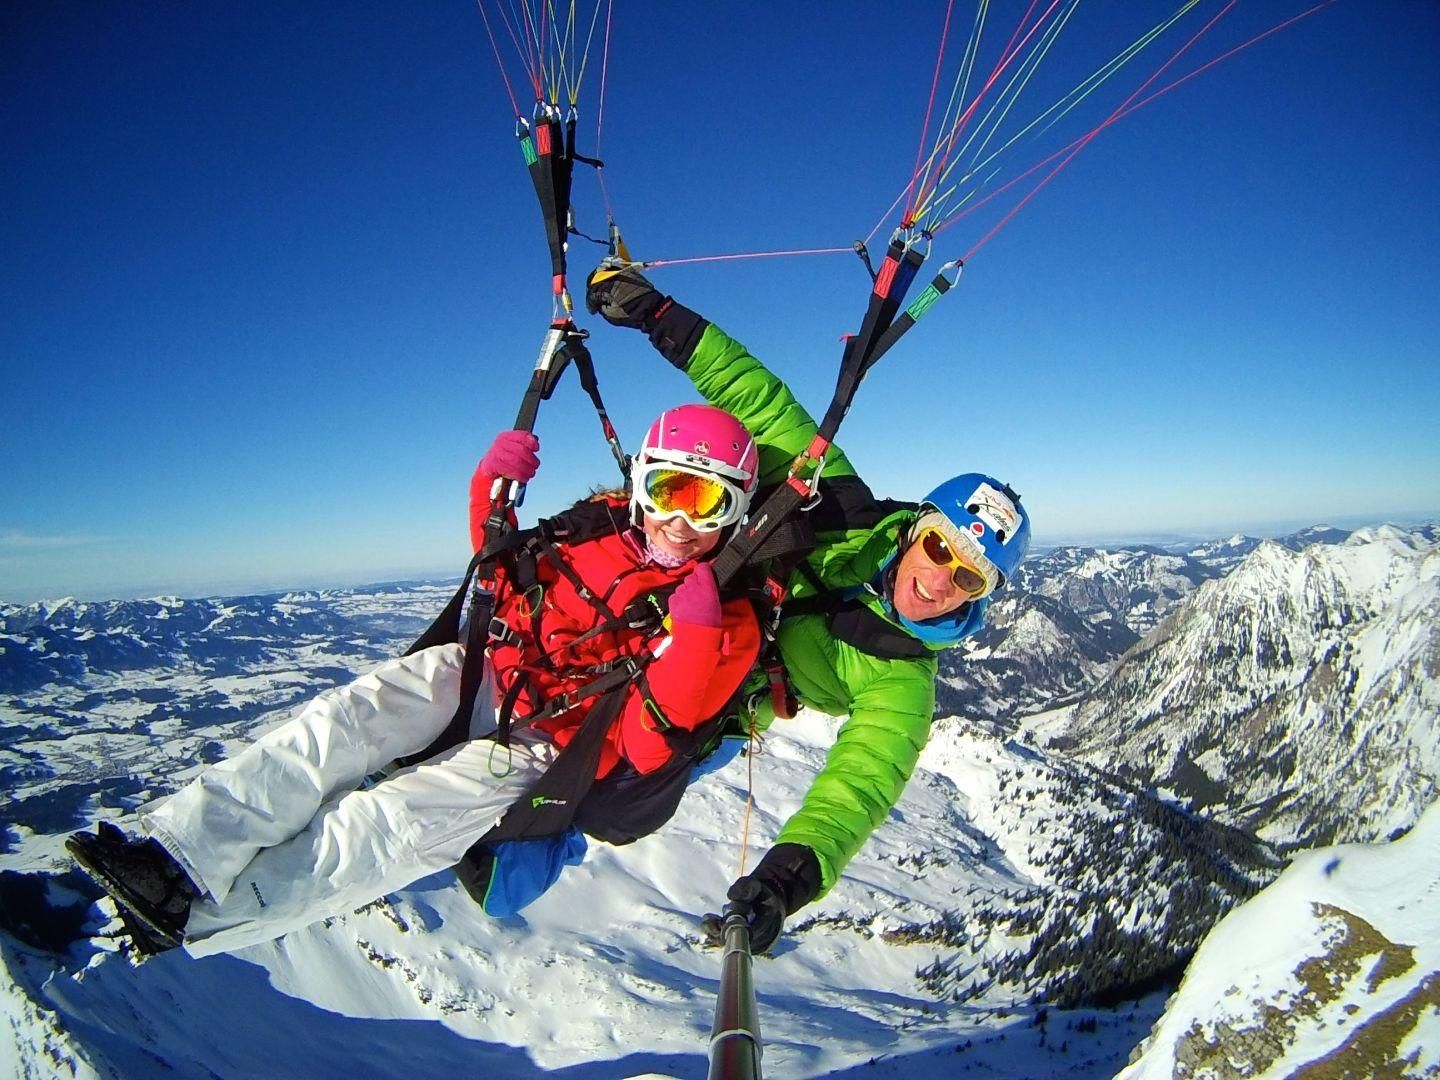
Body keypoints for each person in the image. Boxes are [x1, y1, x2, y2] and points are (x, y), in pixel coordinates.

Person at [66, 403, 764, 958]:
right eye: (669, 490)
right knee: (346, 719)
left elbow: (647, 751)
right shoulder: (595, 528)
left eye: (706, 504)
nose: (679, 521)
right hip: (491, 672)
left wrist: (695, 640)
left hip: (558, 743)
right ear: (640, 481)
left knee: (393, 822)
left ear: (737, 511)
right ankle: (176, 855)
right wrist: (487, 492)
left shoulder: (728, 620)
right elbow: (500, 577)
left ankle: (198, 915)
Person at [586, 266, 1033, 954]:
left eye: (970, 580)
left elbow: (858, 789)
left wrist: (786, 879)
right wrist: (657, 313)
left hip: (728, 696)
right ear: (919, 527)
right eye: (942, 550)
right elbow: (757, 399)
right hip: (689, 590)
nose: (942, 582)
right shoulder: (842, 505)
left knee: (615, 796)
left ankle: (505, 855)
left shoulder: (903, 681)